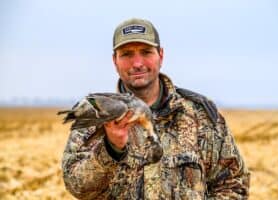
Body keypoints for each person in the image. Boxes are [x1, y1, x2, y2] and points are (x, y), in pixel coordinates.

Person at [61, 18, 250, 199]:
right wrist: (111, 149)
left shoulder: (201, 115)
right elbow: (77, 188)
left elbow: (233, 184)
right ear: (115, 61)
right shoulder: (95, 117)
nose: (137, 63)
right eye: (126, 54)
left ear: (161, 55)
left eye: (146, 52)